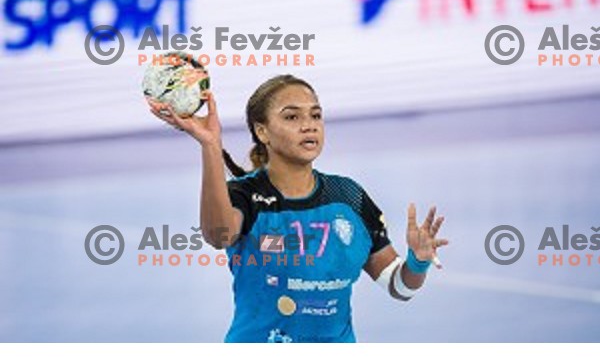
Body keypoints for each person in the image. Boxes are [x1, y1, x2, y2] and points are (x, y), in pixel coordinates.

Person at [146, 74, 449, 343]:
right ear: (262, 132)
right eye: (292, 117)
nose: (309, 126)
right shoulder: (246, 195)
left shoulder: (349, 196)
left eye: (316, 116)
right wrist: (211, 146)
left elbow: (400, 287)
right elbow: (219, 236)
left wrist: (418, 261)